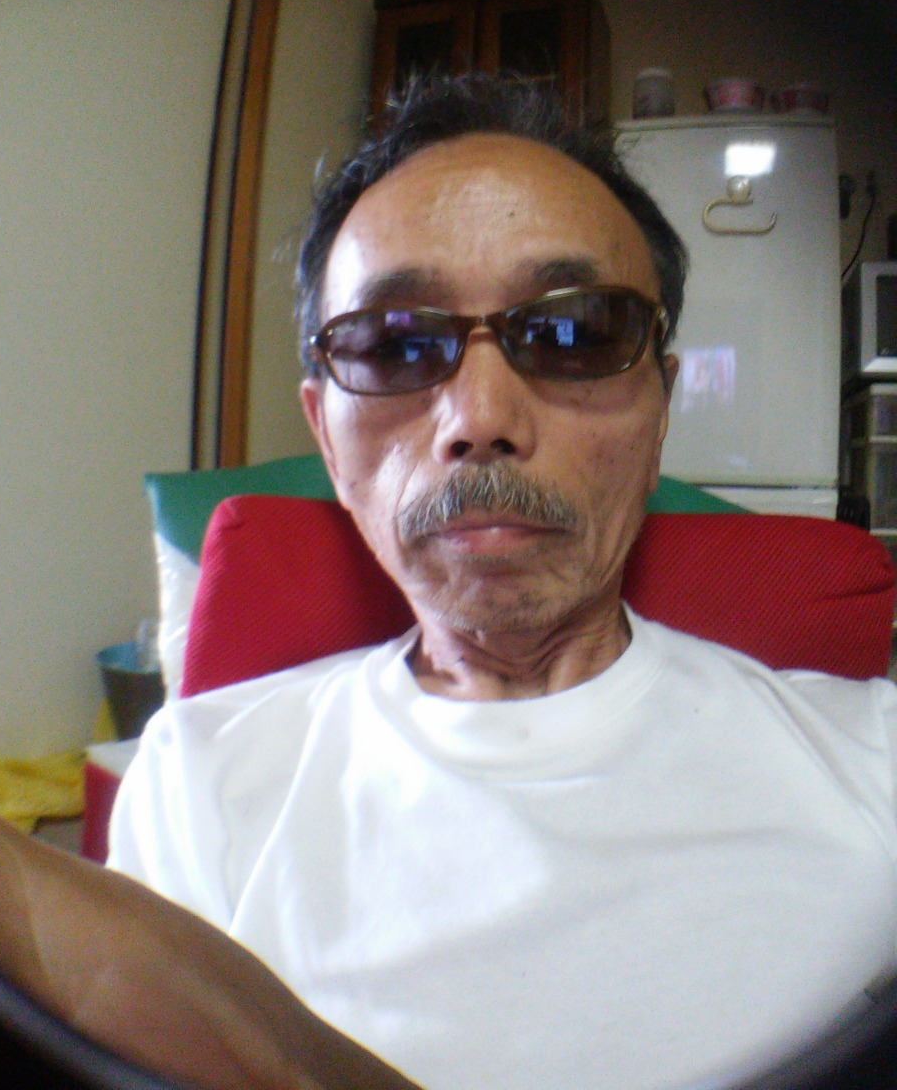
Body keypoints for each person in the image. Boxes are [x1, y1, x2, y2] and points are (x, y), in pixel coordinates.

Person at [102, 73, 897, 1090]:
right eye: (394, 345)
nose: (481, 417)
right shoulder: (199, 786)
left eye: (574, 332)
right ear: (327, 440)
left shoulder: (871, 765)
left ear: (660, 412)